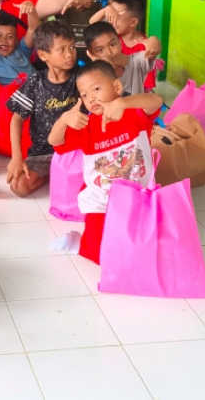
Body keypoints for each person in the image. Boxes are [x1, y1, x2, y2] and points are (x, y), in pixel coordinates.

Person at [48, 61, 162, 262]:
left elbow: (156, 100)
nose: (90, 98)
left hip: (138, 197)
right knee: (98, 254)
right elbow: (54, 141)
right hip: (100, 202)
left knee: (142, 249)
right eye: (84, 94)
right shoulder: (87, 126)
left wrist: (125, 102)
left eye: (96, 89)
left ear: (117, 87)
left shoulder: (134, 113)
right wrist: (63, 119)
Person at [6, 21, 80, 198]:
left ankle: (65, 173)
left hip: (75, 152)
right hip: (42, 153)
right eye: (61, 49)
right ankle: (54, 173)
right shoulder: (35, 81)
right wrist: (17, 158)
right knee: (19, 186)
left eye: (72, 47)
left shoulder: (81, 78)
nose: (70, 54)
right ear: (43, 55)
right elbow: (16, 119)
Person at [90, 0, 161, 57]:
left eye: (116, 17)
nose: (111, 21)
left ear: (133, 22)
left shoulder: (146, 46)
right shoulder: (111, 36)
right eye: (110, 16)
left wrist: (154, 40)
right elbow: (92, 23)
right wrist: (106, 10)